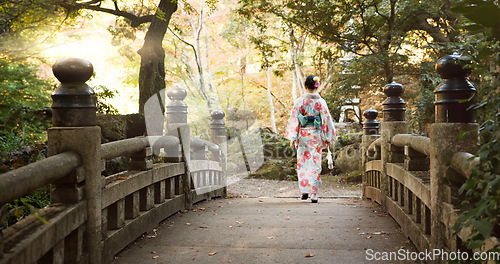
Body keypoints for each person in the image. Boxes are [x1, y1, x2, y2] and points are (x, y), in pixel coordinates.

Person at [284, 75, 337, 203]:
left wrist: (293, 137)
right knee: (315, 163)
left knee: (303, 162)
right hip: (316, 135)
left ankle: (304, 191)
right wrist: (329, 137)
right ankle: (313, 194)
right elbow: (326, 119)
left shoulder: (299, 101)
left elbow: (295, 119)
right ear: (316, 86)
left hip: (303, 134)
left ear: (305, 86)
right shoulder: (320, 102)